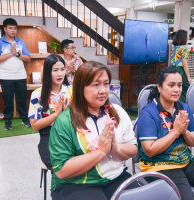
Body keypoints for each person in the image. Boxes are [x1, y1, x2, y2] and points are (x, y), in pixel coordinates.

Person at [49, 61, 139, 200]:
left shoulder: (118, 112)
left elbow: (133, 148)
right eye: (96, 85)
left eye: (106, 84)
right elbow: (61, 170)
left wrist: (116, 148)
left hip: (116, 177)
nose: (103, 90)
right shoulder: (65, 121)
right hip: (76, 183)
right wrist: (101, 151)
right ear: (80, 88)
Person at [137, 67, 194, 200]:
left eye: (179, 85)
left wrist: (184, 131)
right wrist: (175, 132)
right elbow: (149, 151)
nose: (177, 89)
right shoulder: (148, 113)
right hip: (159, 165)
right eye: (171, 85)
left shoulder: (183, 108)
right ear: (159, 87)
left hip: (185, 160)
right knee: (186, 197)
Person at [28, 54, 72, 171]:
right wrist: (56, 114)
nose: (60, 74)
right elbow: (35, 125)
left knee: (79, 157)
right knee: (57, 162)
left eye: (63, 69)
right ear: (48, 72)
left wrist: (69, 112)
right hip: (49, 134)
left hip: (71, 132)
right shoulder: (37, 94)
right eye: (55, 70)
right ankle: (60, 187)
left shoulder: (72, 91)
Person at [0, 18, 31, 130]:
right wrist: (10, 54)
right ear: (5, 29)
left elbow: (28, 59)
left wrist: (17, 54)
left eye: (14, 28)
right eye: (10, 28)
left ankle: (24, 118)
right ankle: (8, 120)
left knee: (22, 99)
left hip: (20, 75)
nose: (13, 30)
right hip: (5, 76)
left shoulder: (20, 42)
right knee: (8, 101)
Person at [170, 29, 191, 103]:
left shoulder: (174, 48)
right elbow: (185, 64)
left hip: (172, 70)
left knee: (174, 90)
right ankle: (182, 108)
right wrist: (188, 77)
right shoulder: (185, 48)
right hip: (180, 71)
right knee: (183, 91)